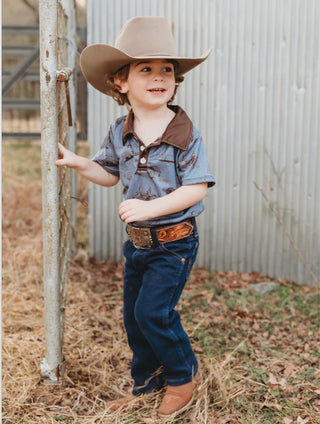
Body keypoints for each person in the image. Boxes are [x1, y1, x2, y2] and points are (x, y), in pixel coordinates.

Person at [56, 16, 215, 418]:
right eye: (146, 69)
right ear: (120, 82)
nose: (160, 76)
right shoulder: (119, 130)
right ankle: (146, 385)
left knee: (153, 313)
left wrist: (148, 208)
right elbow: (109, 175)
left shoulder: (184, 133)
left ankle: (182, 378)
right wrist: (77, 162)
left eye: (168, 70)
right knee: (133, 318)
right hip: (138, 245)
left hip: (175, 240)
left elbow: (195, 188)